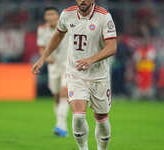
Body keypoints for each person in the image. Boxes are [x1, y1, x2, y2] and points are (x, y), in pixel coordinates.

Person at [32, 0, 117, 150]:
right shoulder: (67, 14)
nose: (82, 0)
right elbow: (58, 36)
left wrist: (91, 59)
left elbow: (112, 47)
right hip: (75, 73)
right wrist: (43, 58)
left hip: (99, 76)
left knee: (101, 118)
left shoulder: (104, 17)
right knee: (78, 117)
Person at [37, 6, 69, 137]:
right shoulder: (42, 29)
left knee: (64, 92)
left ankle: (60, 126)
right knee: (56, 95)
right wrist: (46, 57)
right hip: (53, 66)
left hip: (68, 64)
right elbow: (41, 47)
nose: (50, 17)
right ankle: (62, 125)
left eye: (53, 14)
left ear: (58, 16)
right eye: (48, 14)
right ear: (45, 17)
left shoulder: (67, 26)